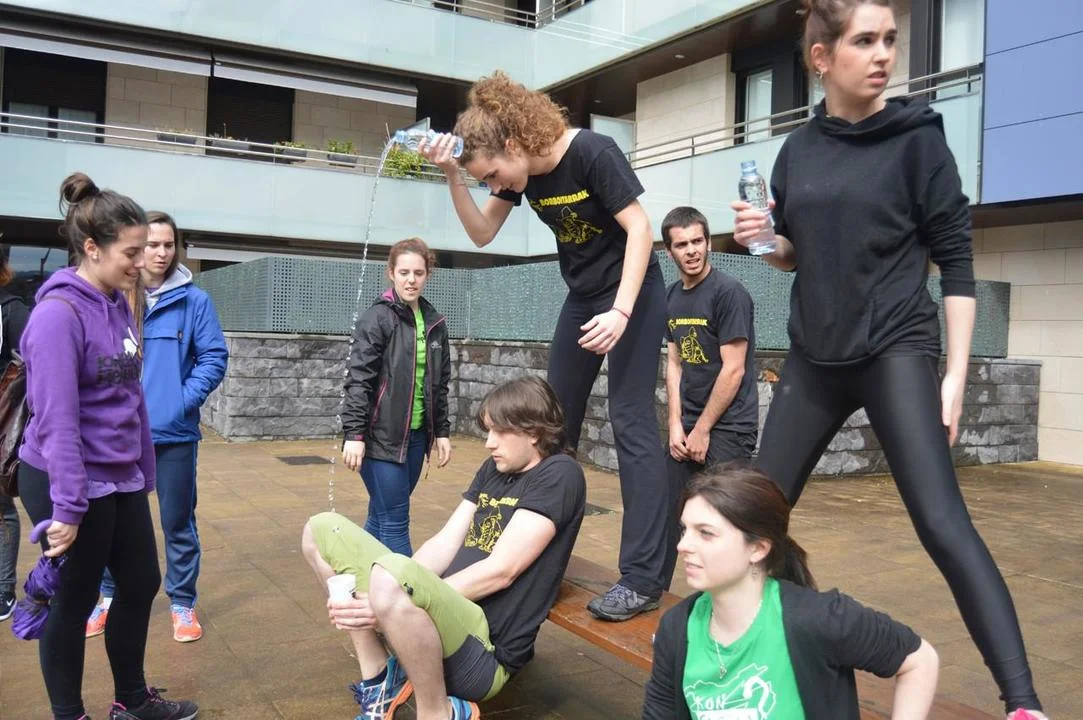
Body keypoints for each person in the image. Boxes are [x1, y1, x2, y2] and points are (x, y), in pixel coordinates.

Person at [730, 2, 1046, 717]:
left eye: (889, 41)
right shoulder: (797, 151)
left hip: (897, 348)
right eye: (865, 41)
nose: (883, 55)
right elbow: (794, 254)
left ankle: (1023, 701)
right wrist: (763, 239)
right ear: (821, 57)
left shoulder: (919, 141)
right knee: (753, 517)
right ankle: (776, 651)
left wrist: (954, 377)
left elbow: (957, 264)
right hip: (815, 354)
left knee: (941, 523)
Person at [420, 70, 668, 621]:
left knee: (631, 420)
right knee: (551, 429)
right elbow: (481, 233)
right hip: (583, 296)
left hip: (634, 292)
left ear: (513, 145)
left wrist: (621, 312)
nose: (493, 185)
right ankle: (534, 558)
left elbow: (640, 228)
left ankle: (644, 577)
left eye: (491, 174)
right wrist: (453, 176)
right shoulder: (520, 172)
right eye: (484, 179)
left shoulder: (594, 153)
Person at [17, 172, 197, 720]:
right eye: (131, 252)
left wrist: (143, 472)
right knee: (74, 601)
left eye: (145, 251)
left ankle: (132, 701)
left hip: (117, 476)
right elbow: (57, 421)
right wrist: (69, 508)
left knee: (140, 582)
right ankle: (69, 714)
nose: (142, 263)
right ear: (92, 248)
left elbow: (130, 396)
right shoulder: (57, 315)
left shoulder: (118, 302)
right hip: (66, 477)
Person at [302, 376, 586, 720]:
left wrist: (402, 596)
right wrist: (394, 592)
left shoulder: (560, 474)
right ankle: (379, 678)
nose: (489, 443)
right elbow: (445, 541)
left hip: (483, 653)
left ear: (534, 432)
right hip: (434, 628)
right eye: (488, 431)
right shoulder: (494, 469)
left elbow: (502, 570)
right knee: (321, 530)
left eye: (500, 432)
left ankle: (439, 712)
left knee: (393, 580)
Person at [642, 464, 940, 719]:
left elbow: (919, 659)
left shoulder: (817, 619)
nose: (682, 545)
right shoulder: (677, 629)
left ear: (758, 548)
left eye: (705, 533)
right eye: (684, 530)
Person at [88, 211, 228, 644]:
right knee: (111, 521)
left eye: (169, 245)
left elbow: (213, 358)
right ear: (137, 246)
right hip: (118, 434)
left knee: (177, 521)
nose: (161, 253)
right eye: (152, 244)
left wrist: (178, 403)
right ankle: (108, 596)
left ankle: (182, 602)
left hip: (174, 435)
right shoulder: (114, 296)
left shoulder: (194, 301)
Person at [660, 206, 758, 589]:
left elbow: (733, 370)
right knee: (670, 514)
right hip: (687, 427)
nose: (692, 250)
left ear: (708, 243)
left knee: (725, 521)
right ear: (669, 251)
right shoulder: (670, 297)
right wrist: (675, 424)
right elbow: (675, 364)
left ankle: (736, 596)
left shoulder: (728, 293)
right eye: (682, 244)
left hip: (729, 427)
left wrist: (702, 430)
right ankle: (651, 592)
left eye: (698, 241)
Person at [340, 237, 453, 557]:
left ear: (427, 274)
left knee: (380, 517)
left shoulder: (435, 322)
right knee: (395, 523)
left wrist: (442, 432)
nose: (411, 280)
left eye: (418, 273)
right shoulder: (377, 318)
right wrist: (354, 435)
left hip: (416, 439)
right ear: (391, 273)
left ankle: (360, 575)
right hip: (379, 439)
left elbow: (440, 383)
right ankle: (408, 587)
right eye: (404, 272)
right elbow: (359, 380)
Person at [0, 242, 30, 622]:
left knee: (2, 510)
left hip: (1, 423)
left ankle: (3, 589)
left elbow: (34, 364)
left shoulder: (12, 309)